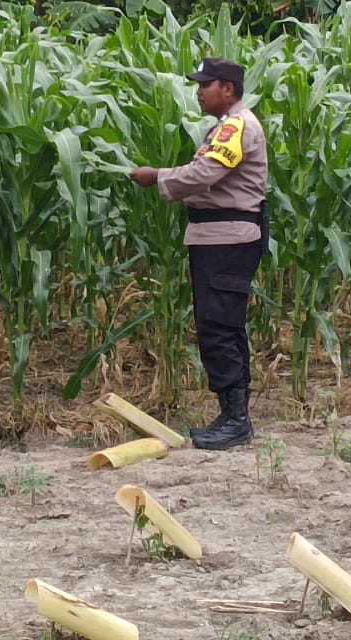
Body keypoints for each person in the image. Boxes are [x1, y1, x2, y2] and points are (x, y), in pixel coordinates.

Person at [129, 57, 268, 451]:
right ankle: (233, 414)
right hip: (216, 237)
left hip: (228, 239)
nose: (198, 91)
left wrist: (157, 176)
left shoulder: (237, 126)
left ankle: (236, 420)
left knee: (219, 326)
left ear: (228, 89)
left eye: (205, 85)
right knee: (221, 324)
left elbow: (204, 174)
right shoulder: (226, 127)